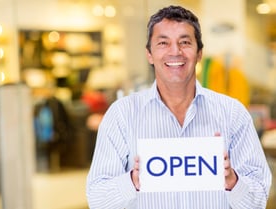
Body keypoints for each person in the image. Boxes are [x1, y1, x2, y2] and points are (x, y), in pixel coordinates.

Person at [86, 5, 272, 209]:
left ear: (199, 53)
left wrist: (233, 181)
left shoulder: (233, 113)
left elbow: (258, 200)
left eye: (185, 42)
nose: (175, 52)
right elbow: (97, 199)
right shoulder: (121, 115)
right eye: (163, 43)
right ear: (149, 54)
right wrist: (132, 180)